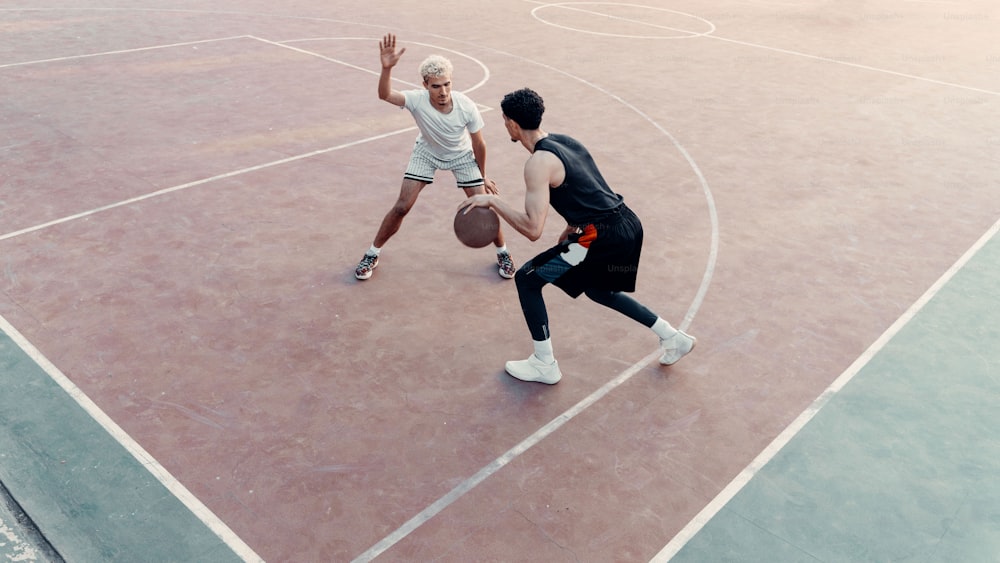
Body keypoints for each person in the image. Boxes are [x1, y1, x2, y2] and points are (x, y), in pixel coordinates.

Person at [458, 88, 696, 384]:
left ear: (512, 125)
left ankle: (545, 364)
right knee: (598, 289)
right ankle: (673, 338)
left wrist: (492, 201)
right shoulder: (566, 141)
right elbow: (589, 189)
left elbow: (533, 229)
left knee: (528, 279)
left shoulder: (537, 163)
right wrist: (571, 230)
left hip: (600, 237)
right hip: (626, 225)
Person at [354, 34, 515, 280]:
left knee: (484, 206)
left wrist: (483, 177)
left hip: (461, 155)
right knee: (401, 207)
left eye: (447, 84)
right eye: (436, 86)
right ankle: (372, 253)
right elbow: (385, 95)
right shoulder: (417, 101)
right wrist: (386, 69)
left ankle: (503, 253)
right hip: (426, 153)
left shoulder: (466, 106)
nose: (443, 91)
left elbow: (479, 144)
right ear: (425, 85)